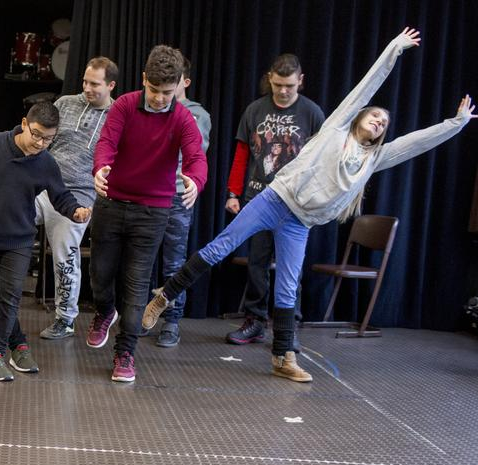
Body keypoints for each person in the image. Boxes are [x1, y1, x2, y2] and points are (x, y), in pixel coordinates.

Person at [143, 28, 475, 383]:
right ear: (359, 116)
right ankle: (166, 295)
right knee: (222, 245)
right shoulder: (335, 127)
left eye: (385, 123)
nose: (380, 121)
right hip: (274, 198)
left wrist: (454, 125)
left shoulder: (374, 159)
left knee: (287, 285)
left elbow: (415, 143)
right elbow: (368, 84)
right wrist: (395, 48)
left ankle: (283, 356)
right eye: (375, 115)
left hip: (299, 221)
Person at [0, 57, 118, 344]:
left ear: (111, 85)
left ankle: (65, 317)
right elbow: (41, 136)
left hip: (78, 192)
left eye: (94, 84)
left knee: (65, 249)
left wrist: (85, 203)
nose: (86, 88)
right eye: (84, 82)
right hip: (41, 183)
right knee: (5, 211)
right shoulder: (65, 104)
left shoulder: (117, 116)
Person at [89, 45, 208, 383]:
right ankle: (103, 311)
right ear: (144, 81)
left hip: (153, 211)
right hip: (112, 203)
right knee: (100, 274)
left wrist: (196, 181)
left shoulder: (183, 117)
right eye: (154, 90)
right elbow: (106, 142)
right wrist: (101, 167)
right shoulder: (125, 105)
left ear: (179, 87)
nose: (159, 98)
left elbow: (196, 157)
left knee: (136, 283)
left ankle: (125, 353)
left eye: (167, 92)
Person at [0, 102, 91, 382]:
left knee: (10, 295)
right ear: (24, 124)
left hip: (20, 238)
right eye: (36, 135)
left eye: (48, 139)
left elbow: (60, 195)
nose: (41, 143)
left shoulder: (46, 162)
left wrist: (75, 210)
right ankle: (19, 344)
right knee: (3, 297)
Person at [224, 53, 325, 346]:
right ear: (270, 78)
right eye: (278, 84)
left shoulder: (312, 113)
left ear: (300, 82)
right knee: (257, 263)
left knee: (290, 267)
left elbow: (322, 159)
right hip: (260, 197)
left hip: (296, 202)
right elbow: (242, 154)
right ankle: (255, 320)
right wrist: (234, 193)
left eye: (289, 86)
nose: (283, 91)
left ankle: (288, 327)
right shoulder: (255, 110)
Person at [153, 56, 211, 347]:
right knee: (141, 259)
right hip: (147, 195)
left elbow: (193, 154)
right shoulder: (148, 106)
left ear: (183, 82)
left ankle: (171, 321)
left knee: (173, 263)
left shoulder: (195, 114)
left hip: (176, 194)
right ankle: (140, 315)